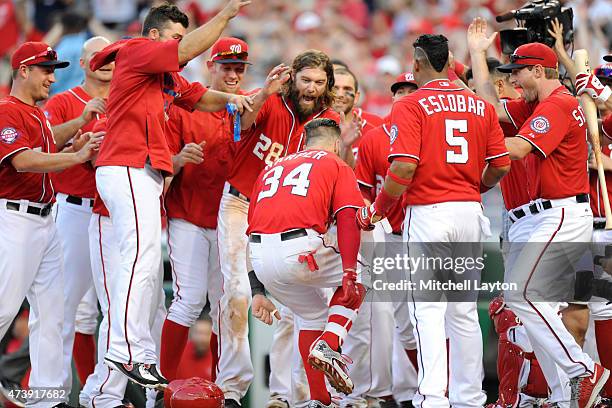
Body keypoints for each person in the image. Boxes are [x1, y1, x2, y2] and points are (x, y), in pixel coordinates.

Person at [88, 1, 253, 388]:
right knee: (140, 257)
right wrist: (225, 15)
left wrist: (232, 99)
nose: (179, 44)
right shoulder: (137, 50)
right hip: (126, 164)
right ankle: (124, 349)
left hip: (142, 171)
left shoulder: (163, 77)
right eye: (175, 36)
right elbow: (185, 52)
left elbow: (198, 98)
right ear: (154, 37)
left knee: (144, 263)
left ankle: (138, 352)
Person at [357, 34, 511, 408]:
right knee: (462, 310)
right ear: (451, 62)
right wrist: (473, 185)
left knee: (426, 309)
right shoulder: (479, 105)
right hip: (469, 213)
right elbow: (502, 164)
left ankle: (432, 397)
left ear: (420, 62)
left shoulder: (411, 104)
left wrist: (378, 207)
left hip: (428, 211)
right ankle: (469, 397)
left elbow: (404, 166)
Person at [467, 17, 609, 408]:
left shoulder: (559, 103)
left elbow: (516, 150)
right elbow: (489, 107)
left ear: (539, 70)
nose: (513, 79)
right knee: (533, 305)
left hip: (560, 213)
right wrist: (479, 54)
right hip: (541, 216)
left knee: (520, 294)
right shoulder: (536, 103)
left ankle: (585, 371)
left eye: (519, 72)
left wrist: (476, 149)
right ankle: (567, 394)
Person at [215, 49, 355, 407]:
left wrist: (347, 141)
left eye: (319, 82)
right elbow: (239, 124)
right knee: (238, 295)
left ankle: (286, 395)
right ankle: (231, 389)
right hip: (242, 203)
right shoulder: (273, 99)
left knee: (296, 311)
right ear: (293, 77)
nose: (311, 88)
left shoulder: (327, 119)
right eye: (305, 79)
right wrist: (264, 92)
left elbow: (341, 172)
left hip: (290, 220)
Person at [0, 41, 101, 408]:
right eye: (45, 69)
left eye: (53, 69)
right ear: (23, 70)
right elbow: (23, 161)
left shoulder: (37, 112)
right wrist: (78, 156)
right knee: (3, 310)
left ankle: (48, 397)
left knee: (53, 312)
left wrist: (80, 127)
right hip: (14, 218)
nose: (52, 77)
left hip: (44, 221)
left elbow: (48, 139)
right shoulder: (7, 109)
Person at [248, 117, 367, 408]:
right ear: (337, 144)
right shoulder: (335, 163)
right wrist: (350, 272)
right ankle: (331, 340)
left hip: (261, 258)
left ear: (304, 142)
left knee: (311, 317)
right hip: (299, 248)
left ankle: (320, 401)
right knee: (367, 272)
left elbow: (248, 232)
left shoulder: (272, 168)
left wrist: (257, 292)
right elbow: (348, 217)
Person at [160, 36, 257, 383]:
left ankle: (220, 387)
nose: (233, 74)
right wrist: (179, 159)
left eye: (239, 68)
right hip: (188, 214)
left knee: (224, 305)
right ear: (210, 66)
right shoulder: (187, 106)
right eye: (227, 67)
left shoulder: (249, 107)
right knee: (188, 301)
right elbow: (161, 164)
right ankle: (163, 386)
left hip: (229, 222)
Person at [43, 35, 113, 396]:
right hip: (73, 207)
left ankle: (100, 393)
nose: (106, 62)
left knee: (119, 310)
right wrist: (78, 138)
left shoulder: (126, 102)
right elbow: (41, 144)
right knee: (65, 304)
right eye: (97, 57)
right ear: (83, 64)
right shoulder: (64, 101)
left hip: (114, 212)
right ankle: (51, 391)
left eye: (111, 56)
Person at [331, 66, 382, 157]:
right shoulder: (313, 128)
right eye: (335, 88)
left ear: (356, 97)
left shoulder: (373, 131)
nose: (340, 94)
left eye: (347, 89)